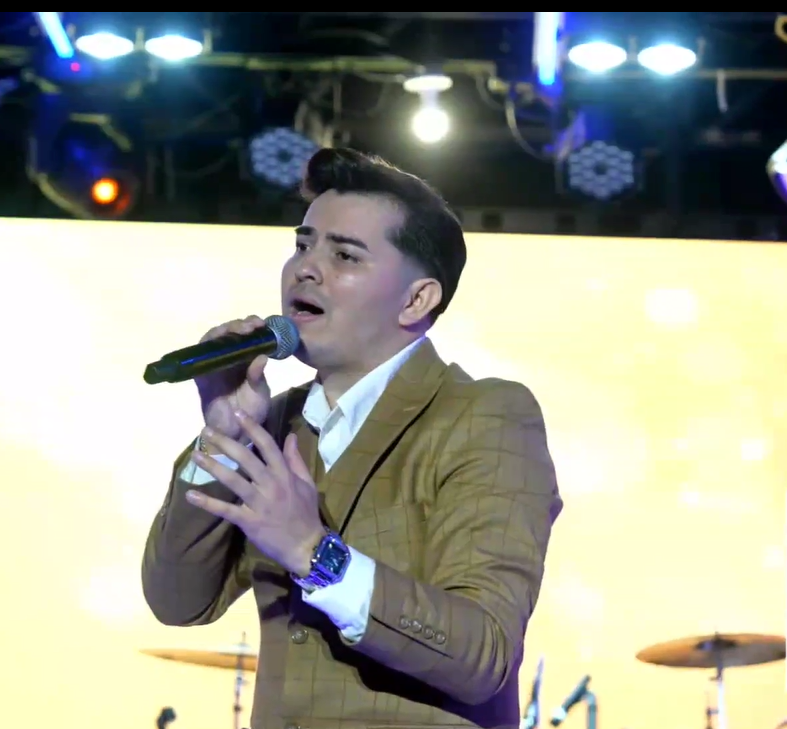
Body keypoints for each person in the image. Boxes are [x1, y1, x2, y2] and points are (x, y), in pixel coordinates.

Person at [141, 147, 563, 729]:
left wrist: (315, 554)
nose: (306, 269)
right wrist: (223, 435)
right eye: (302, 245)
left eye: (344, 255)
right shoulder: (275, 423)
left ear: (417, 299)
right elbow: (177, 600)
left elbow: (483, 652)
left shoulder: (483, 414)